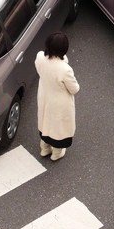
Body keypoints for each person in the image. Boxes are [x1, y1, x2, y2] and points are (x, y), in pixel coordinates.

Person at [35, 32, 80, 161]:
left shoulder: (39, 57)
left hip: (44, 96)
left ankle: (44, 148)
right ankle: (56, 153)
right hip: (59, 103)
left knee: (45, 122)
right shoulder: (65, 69)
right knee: (58, 127)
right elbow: (74, 89)